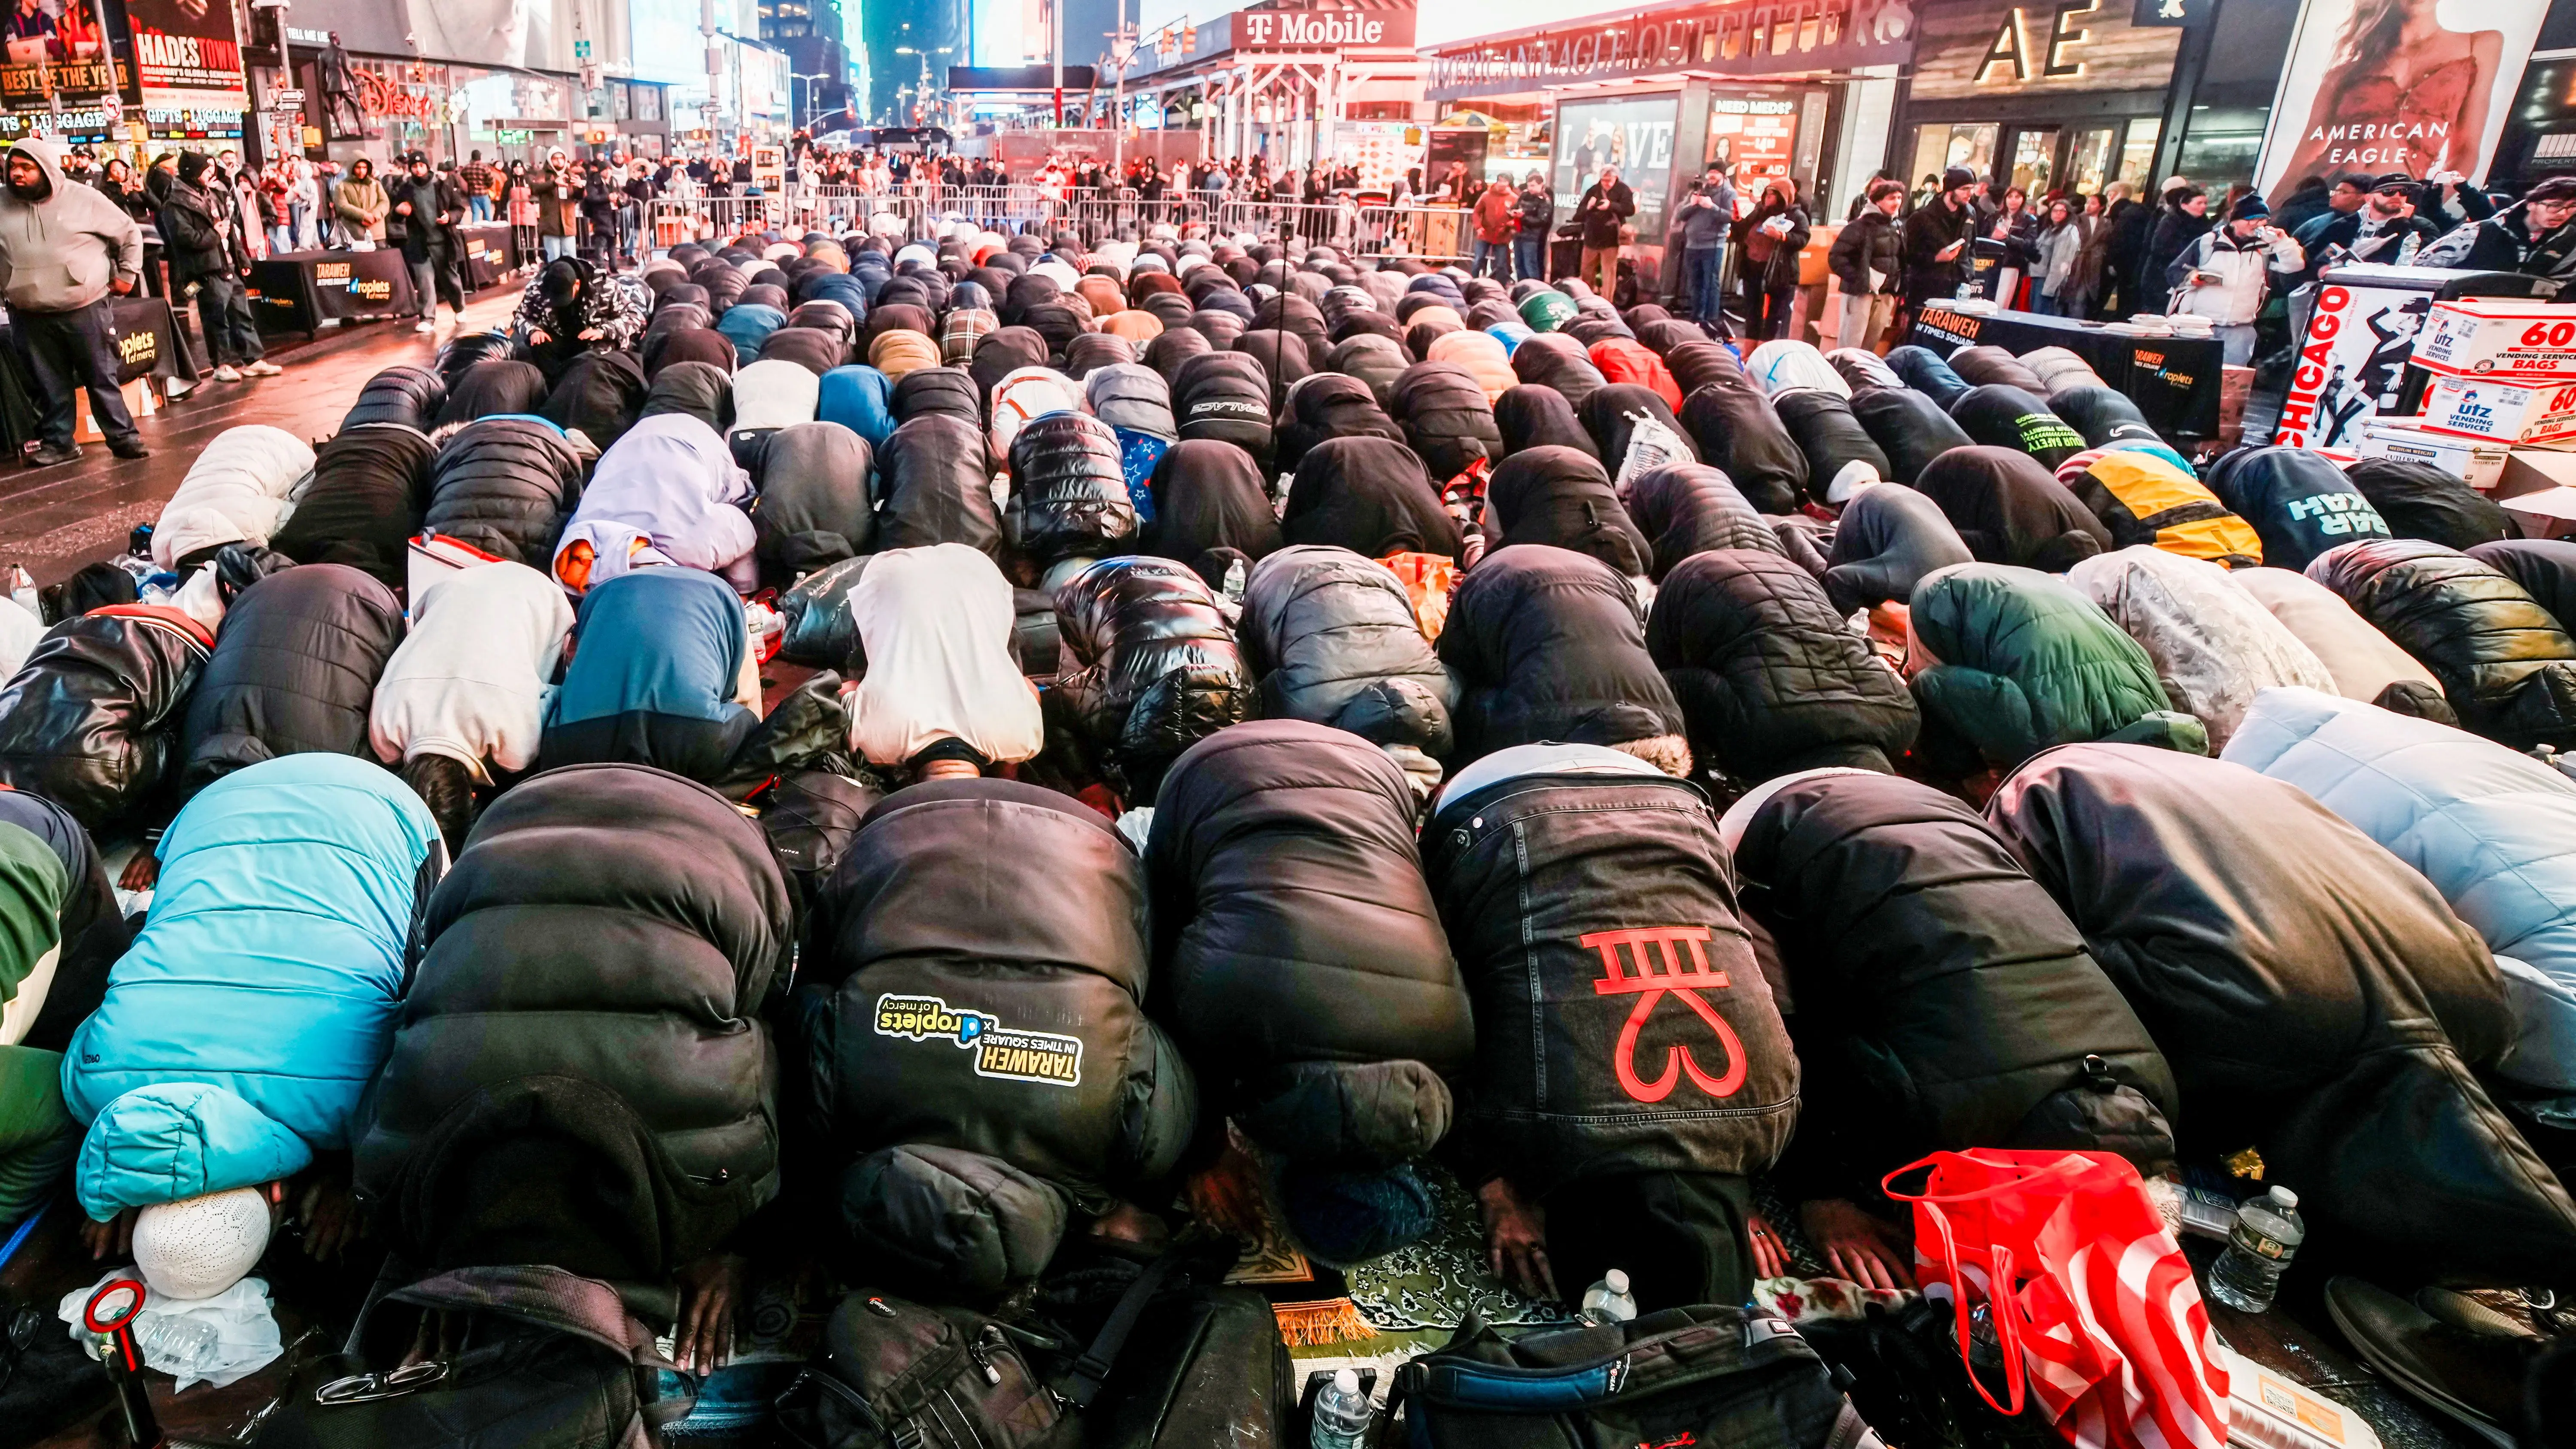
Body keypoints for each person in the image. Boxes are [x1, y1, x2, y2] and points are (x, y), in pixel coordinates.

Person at [0, 139, 148, 465]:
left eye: (26, 168)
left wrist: (127, 274)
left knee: (100, 377)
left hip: (85, 307)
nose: (17, 174)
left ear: (47, 169)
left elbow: (129, 234)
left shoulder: (85, 198)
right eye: (13, 167)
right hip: (29, 312)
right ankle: (59, 443)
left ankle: (124, 439)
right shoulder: (1, 202)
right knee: (48, 383)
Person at [2168, 193, 2305, 365]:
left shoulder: (2265, 247)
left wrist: (2283, 243)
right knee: (2192, 373)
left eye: (2262, 219)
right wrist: (2192, 278)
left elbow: (2295, 267)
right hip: (2200, 326)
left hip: (2240, 329)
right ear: (2235, 220)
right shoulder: (2208, 242)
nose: (2257, 223)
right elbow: (2173, 272)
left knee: (2231, 383)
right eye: (2251, 218)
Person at [2416, 174, 2576, 281]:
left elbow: (2562, 287)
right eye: (2555, 206)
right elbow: (2420, 270)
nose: (2563, 214)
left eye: (2572, 207)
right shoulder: (2478, 232)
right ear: (2532, 205)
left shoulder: (2570, 243)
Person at [2298, 171, 2444, 271]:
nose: (2397, 196)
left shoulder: (2422, 227)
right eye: (2389, 192)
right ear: (2369, 198)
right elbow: (2311, 257)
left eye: (2404, 192)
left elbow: (2422, 262)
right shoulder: (2344, 225)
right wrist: (2320, 271)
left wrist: (2401, 225)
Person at [388, 150, 465, 334]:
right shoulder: (405, 188)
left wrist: (450, 217)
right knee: (424, 281)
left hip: (443, 240)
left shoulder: (442, 185)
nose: (418, 170)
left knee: (449, 277)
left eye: (421, 166)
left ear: (427, 166)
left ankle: (460, 307)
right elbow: (394, 215)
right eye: (414, 167)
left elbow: (459, 208)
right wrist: (399, 211)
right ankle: (427, 318)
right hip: (419, 242)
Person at [1731, 176, 1808, 342]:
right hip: (1752, 267)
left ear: (1783, 197)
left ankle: (1764, 349)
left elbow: (1803, 239)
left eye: (1773, 195)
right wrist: (1736, 222)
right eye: (1767, 194)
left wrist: (1782, 236)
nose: (1768, 199)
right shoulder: (1759, 212)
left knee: (1773, 315)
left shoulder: (1796, 216)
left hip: (1777, 271)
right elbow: (1740, 236)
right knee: (1752, 311)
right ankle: (1749, 351)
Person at [1829, 178, 1904, 349]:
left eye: (1899, 198)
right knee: (1851, 345)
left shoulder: (1898, 227)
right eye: (1892, 198)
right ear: (1878, 201)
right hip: (1860, 293)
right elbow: (1836, 257)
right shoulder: (1859, 226)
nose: (1897, 202)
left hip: (1885, 293)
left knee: (1869, 347)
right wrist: (1860, 277)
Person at [1900, 164, 1978, 319]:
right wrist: (1935, 258)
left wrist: (1969, 273)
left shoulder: (1970, 213)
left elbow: (1972, 247)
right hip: (1928, 287)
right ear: (1950, 189)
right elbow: (1906, 255)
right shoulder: (1922, 217)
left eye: (1972, 188)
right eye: (1965, 189)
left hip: (1959, 287)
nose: (1970, 194)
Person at [1674, 166, 1735, 326]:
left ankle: (1711, 319)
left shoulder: (1729, 193)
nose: (1712, 176)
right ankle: (1696, 317)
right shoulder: (1700, 190)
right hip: (1693, 245)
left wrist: (1712, 207)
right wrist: (1693, 204)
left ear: (1722, 174)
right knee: (1695, 282)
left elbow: (1732, 216)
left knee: (1711, 282)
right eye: (1711, 172)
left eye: (1716, 172)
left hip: (1713, 245)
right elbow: (1681, 215)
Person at [2142, 183, 2212, 312]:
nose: (2204, 207)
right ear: (2184, 205)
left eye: (2205, 203)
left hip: (2188, 277)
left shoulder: (2205, 224)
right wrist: (2189, 254)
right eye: (2199, 203)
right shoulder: (2171, 222)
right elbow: (2159, 248)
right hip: (2161, 277)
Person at [1574, 164, 1634, 299]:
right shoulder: (1593, 190)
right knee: (1586, 272)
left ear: (1616, 178)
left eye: (1609, 180)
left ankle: (1607, 301)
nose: (1606, 184)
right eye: (1603, 180)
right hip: (1591, 237)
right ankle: (1586, 299)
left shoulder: (1623, 190)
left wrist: (1611, 206)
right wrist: (1589, 207)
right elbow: (1578, 215)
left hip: (1611, 238)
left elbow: (1630, 209)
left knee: (1609, 273)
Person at [2031, 196, 2089, 316]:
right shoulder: (2050, 230)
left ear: (2068, 214)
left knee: (2042, 318)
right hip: (2038, 277)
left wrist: (2049, 289)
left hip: (2049, 282)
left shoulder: (2068, 231)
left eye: (2062, 211)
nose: (2057, 214)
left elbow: (2061, 263)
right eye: (2055, 211)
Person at [1985, 185, 2039, 305]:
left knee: (2002, 303)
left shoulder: (2029, 220)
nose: (2013, 200)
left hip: (2011, 265)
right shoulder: (1994, 216)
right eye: (2010, 197)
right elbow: (1982, 237)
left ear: (2023, 200)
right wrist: (1992, 237)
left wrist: (2008, 238)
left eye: (2017, 197)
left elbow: (2029, 244)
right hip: (1990, 264)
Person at [330, 155, 387, 248]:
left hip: (377, 233)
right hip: (354, 233)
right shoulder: (342, 186)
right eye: (358, 167)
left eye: (364, 168)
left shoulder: (376, 184)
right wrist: (363, 216)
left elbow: (384, 202)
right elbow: (342, 205)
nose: (361, 171)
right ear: (352, 168)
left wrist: (374, 216)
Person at [535, 149, 579, 262]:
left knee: (571, 258)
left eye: (562, 158)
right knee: (554, 258)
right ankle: (555, 279)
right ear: (550, 160)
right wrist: (554, 183)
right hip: (550, 224)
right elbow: (536, 188)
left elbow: (579, 196)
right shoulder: (543, 174)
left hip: (568, 223)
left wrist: (581, 188)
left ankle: (571, 279)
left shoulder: (571, 174)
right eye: (556, 158)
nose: (559, 161)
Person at [1470, 176, 1516, 283]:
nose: (1502, 184)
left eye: (1505, 181)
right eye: (1500, 181)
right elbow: (1477, 212)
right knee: (1478, 260)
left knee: (1501, 264)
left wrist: (1512, 224)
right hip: (1485, 233)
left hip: (1502, 235)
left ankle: (1501, 286)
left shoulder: (1514, 198)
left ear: (1509, 183)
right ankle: (1472, 283)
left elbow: (1517, 216)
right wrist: (1479, 227)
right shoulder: (1486, 195)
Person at [458, 148, 492, 222]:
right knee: (487, 215)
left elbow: (462, 180)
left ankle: (475, 231)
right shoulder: (485, 167)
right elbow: (490, 180)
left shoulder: (466, 168)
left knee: (475, 215)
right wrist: (487, 186)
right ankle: (489, 231)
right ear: (480, 157)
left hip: (472, 195)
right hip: (484, 194)